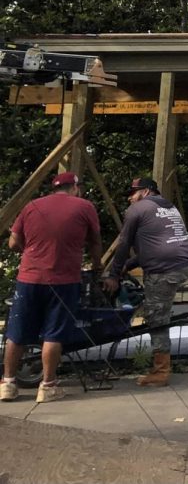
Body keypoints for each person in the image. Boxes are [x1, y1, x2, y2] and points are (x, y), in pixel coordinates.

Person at [2, 171, 101, 404]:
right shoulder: (85, 207)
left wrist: (31, 251)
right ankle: (47, 386)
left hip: (29, 279)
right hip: (64, 281)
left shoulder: (32, 206)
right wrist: (97, 266)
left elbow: (14, 242)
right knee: (53, 333)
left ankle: (8, 384)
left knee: (16, 333)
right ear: (75, 187)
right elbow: (95, 242)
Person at [102, 177, 188, 387]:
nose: (129, 198)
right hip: (187, 261)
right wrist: (130, 264)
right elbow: (158, 243)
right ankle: (161, 364)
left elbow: (124, 242)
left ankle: (160, 372)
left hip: (166, 268)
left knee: (157, 317)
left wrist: (114, 274)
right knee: (158, 308)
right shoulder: (168, 206)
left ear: (146, 191)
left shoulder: (137, 209)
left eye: (132, 193)